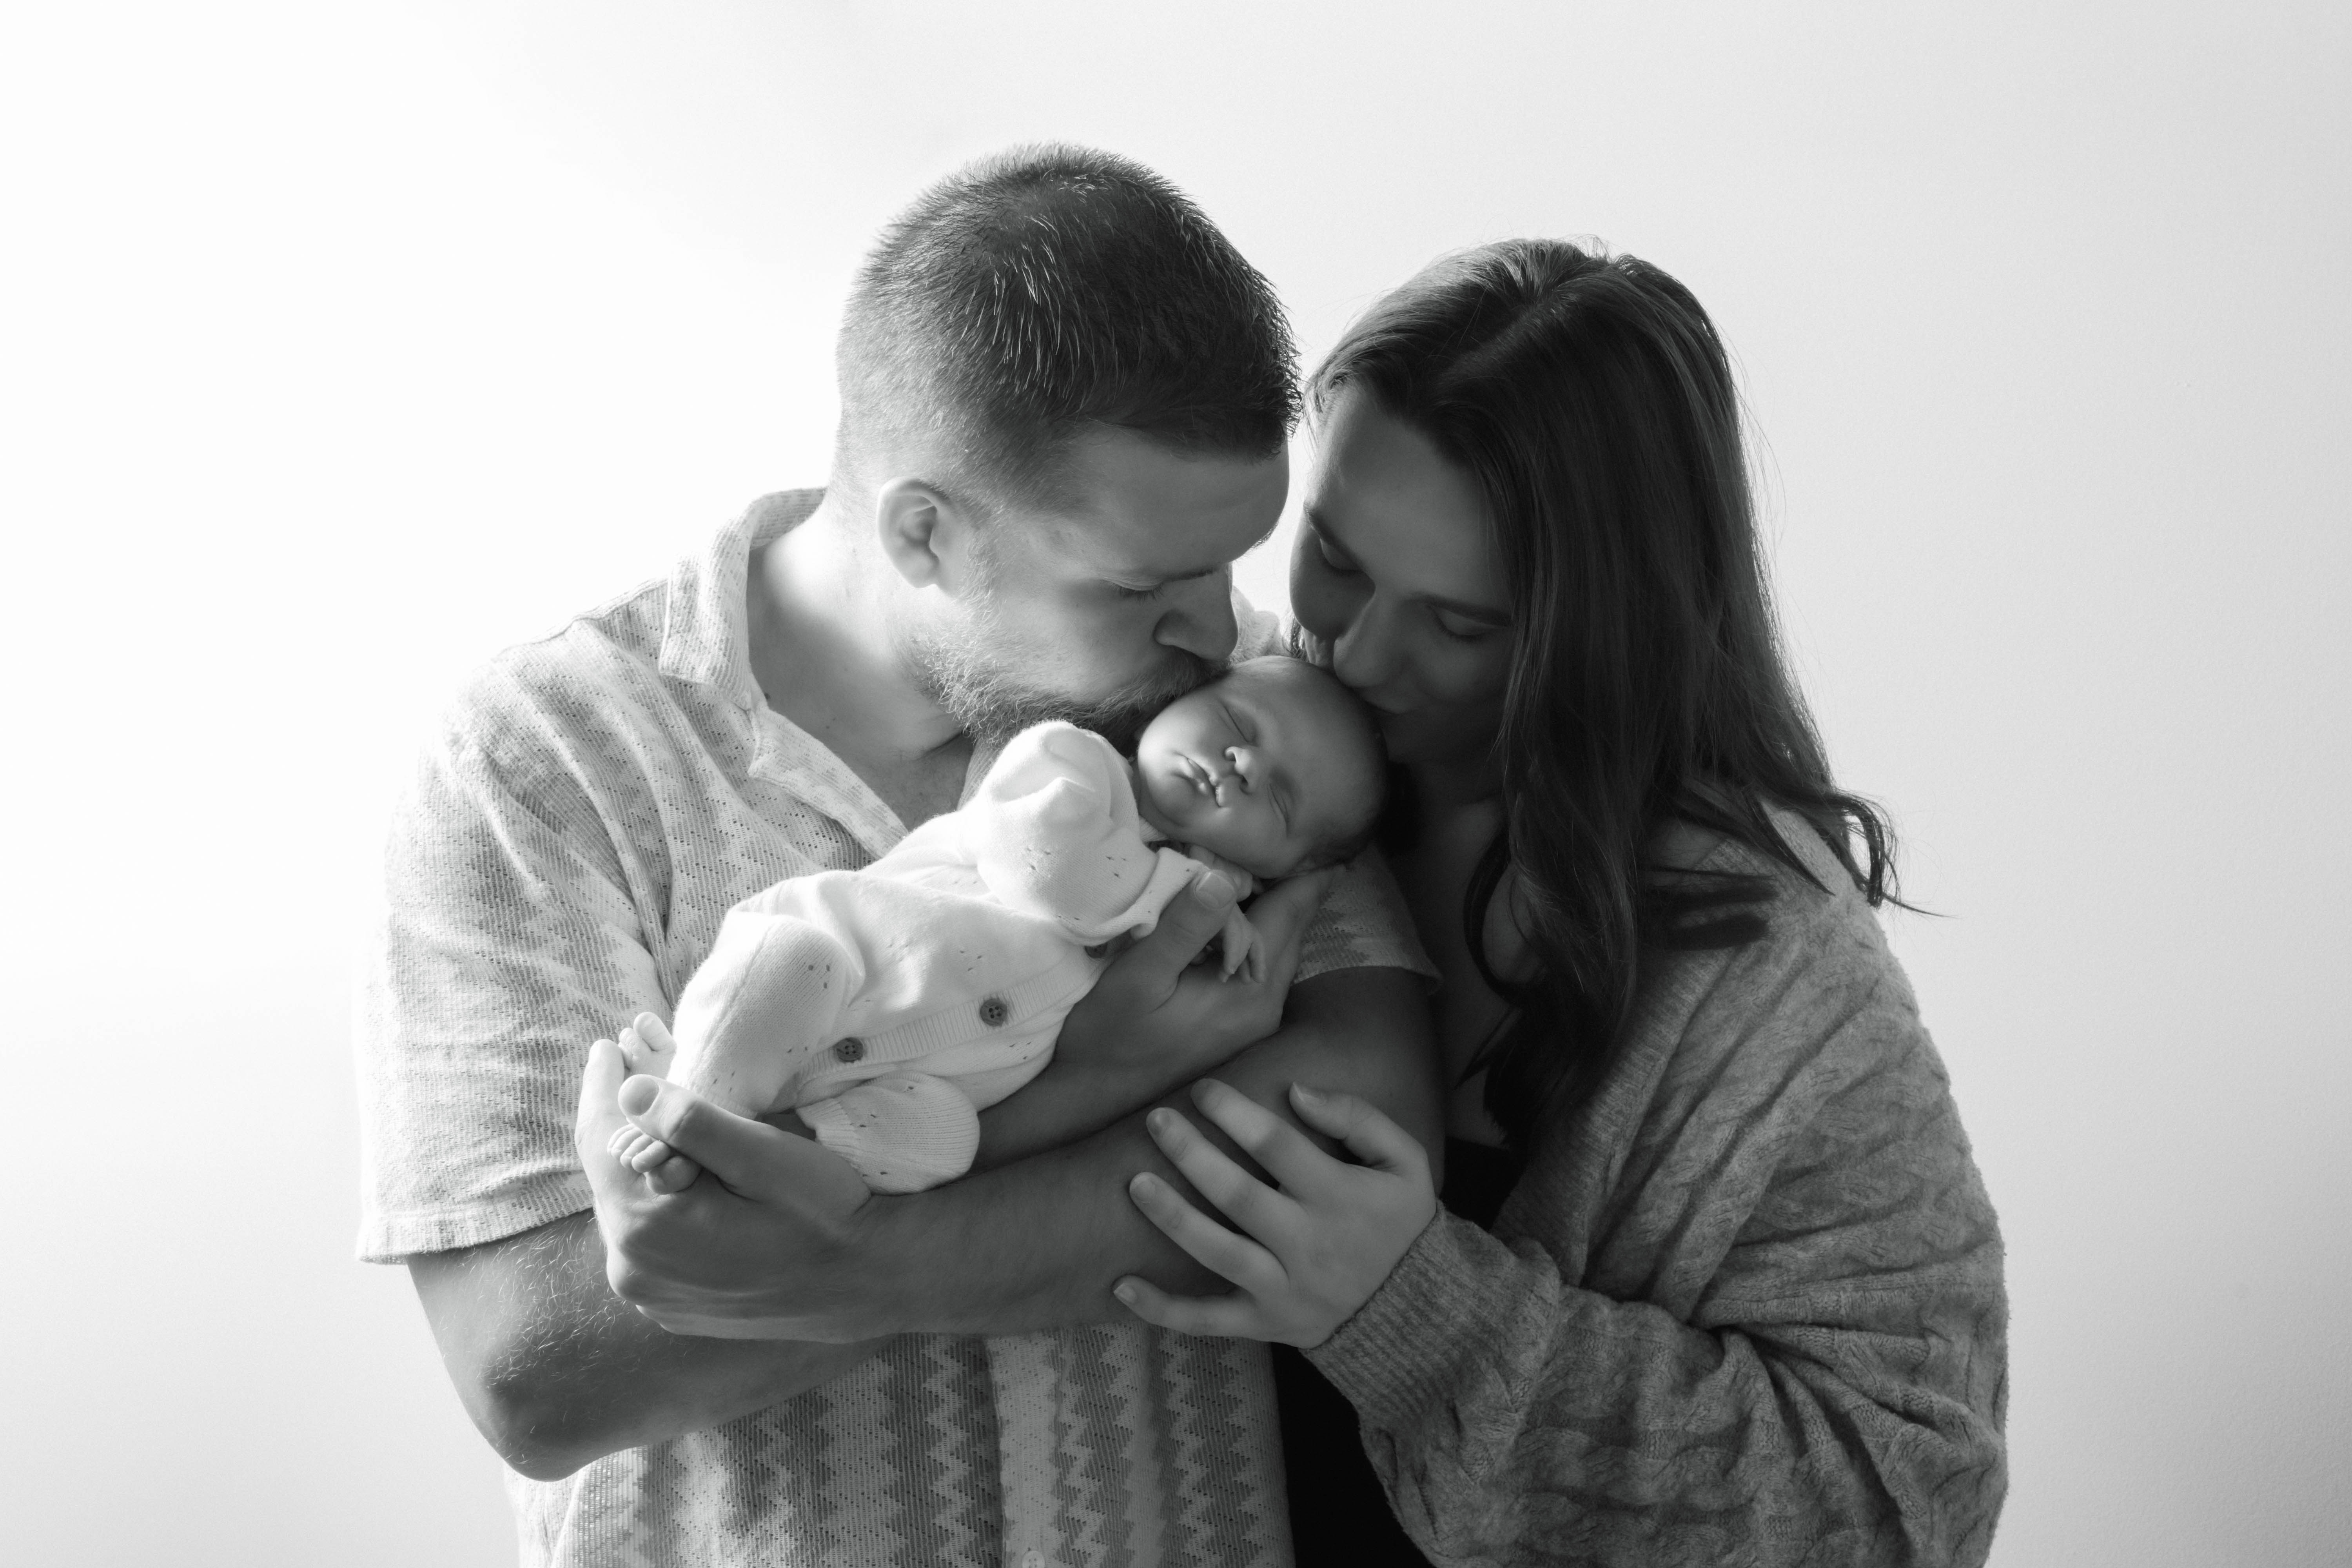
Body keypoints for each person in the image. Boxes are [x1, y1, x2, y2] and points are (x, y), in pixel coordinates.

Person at [358, 146, 1439, 1566]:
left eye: (1225, 562)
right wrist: (1100, 1081)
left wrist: (823, 1251)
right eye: (1137, 585)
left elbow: (1363, 1124)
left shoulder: (1228, 720)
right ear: (925, 530)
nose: (1217, 625)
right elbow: (542, 1368)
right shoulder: (540, 762)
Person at [1109, 241, 2011, 1564]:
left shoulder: (1779, 984)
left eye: (1461, 625)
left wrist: (1414, 1311)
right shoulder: (1209, 735)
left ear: (1605, 626)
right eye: (1336, 560)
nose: (1354, 652)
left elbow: (1906, 1506)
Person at [606, 656, 1388, 1194]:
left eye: (1279, 798)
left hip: (914, 1075)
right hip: (847, 959)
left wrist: (1220, 914)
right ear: (1172, 702)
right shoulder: (1069, 764)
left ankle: (772, 1149)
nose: (1243, 763)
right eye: (1234, 721)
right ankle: (697, 1103)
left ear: (1281, 868)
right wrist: (1188, 889)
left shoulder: (1203, 930)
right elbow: (1050, 873)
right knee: (789, 964)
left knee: (946, 1144)